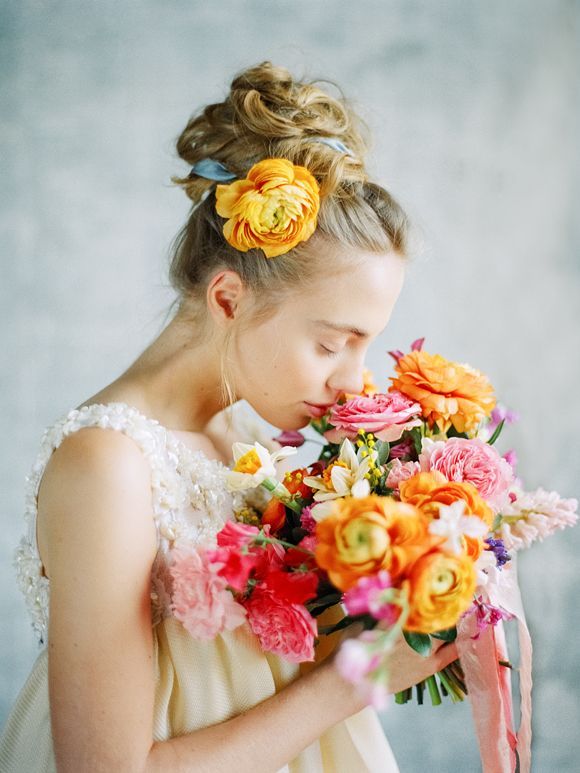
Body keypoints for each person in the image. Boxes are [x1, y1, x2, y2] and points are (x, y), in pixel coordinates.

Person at [0, 60, 458, 772]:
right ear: (227, 299)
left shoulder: (246, 443)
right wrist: (354, 680)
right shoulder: (109, 466)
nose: (354, 378)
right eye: (333, 342)